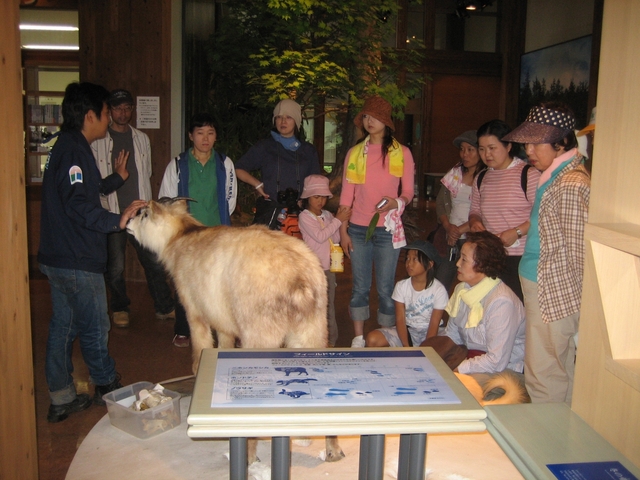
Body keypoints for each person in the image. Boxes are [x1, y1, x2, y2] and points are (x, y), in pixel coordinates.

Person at [38, 82, 147, 422]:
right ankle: (106, 385)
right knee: (97, 327)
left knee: (63, 327)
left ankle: (61, 397)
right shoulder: (73, 151)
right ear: (90, 116)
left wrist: (117, 178)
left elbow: (90, 189)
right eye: (104, 112)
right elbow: (77, 204)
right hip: (76, 258)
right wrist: (119, 220)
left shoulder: (71, 147)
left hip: (59, 256)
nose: (107, 117)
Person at [503, 102, 590, 403]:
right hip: (542, 283)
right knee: (555, 366)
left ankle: (546, 442)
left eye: (536, 142)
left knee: (543, 372)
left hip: (553, 288)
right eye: (526, 142)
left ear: (562, 141)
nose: (528, 149)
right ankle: (563, 435)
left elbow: (580, 251)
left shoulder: (570, 183)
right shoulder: (556, 175)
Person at [92, 89, 174, 328]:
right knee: (115, 265)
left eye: (127, 108)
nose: (123, 112)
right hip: (112, 211)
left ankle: (164, 307)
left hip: (141, 213)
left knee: (153, 261)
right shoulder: (99, 141)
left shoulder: (141, 138)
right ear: (110, 111)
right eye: (117, 108)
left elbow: (146, 174)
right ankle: (119, 307)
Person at [339, 95, 415, 348]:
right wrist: (343, 231)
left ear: (387, 121)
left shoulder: (402, 153)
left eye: (376, 116)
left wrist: (397, 203)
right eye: (366, 116)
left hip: (388, 229)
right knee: (359, 286)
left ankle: (384, 334)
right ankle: (358, 336)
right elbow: (346, 197)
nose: (370, 121)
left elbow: (408, 192)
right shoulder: (355, 152)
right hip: (358, 228)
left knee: (385, 287)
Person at [159, 112, 237, 347]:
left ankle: (220, 329)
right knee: (186, 282)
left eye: (210, 133)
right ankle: (184, 328)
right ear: (191, 136)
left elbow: (230, 198)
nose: (205, 138)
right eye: (200, 133)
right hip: (188, 235)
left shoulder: (224, 163)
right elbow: (166, 197)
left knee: (218, 282)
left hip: (216, 233)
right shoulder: (178, 165)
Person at [468, 120, 541, 302]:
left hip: (520, 257)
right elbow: (474, 210)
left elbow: (542, 215)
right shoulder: (482, 177)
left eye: (492, 148)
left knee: (519, 309)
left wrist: (516, 232)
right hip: (490, 257)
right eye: (482, 149)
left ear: (508, 146)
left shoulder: (529, 175)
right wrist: (475, 222)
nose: (487, 154)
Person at [439, 231, 525, 377]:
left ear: (482, 264)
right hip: (470, 360)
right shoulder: (462, 290)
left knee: (455, 387)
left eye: (464, 259)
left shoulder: (501, 302)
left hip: (503, 371)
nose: (458, 263)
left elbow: (497, 362)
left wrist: (458, 369)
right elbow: (453, 336)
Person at [235, 98, 322, 225]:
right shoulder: (265, 147)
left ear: (297, 121)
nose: (283, 121)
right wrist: (257, 184)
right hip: (270, 211)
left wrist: (306, 201)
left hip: (300, 213)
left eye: (288, 117)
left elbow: (316, 183)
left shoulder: (308, 150)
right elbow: (238, 168)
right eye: (279, 117)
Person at [298, 174, 351, 347]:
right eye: (316, 197)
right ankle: (311, 340)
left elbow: (334, 236)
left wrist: (342, 224)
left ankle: (330, 342)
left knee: (329, 307)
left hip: (328, 268)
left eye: (323, 197)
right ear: (307, 197)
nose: (320, 201)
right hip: (313, 269)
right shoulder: (305, 217)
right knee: (313, 307)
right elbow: (320, 236)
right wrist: (338, 221)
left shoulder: (328, 215)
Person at [365, 240, 448, 348]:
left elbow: (434, 322)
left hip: (432, 332)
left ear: (430, 264)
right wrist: (406, 346)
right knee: (372, 339)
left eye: (415, 259)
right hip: (408, 330)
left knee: (452, 343)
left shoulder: (439, 290)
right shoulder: (401, 286)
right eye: (408, 258)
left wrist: (427, 348)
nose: (409, 263)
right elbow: (400, 319)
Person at [434, 129, 486, 291]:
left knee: (472, 283)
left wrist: (459, 230)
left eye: (470, 150)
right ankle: (436, 315)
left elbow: (485, 211)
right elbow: (441, 202)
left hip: (473, 237)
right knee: (441, 282)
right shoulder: (455, 174)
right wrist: (449, 227)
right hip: (451, 237)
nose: (465, 154)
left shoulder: (487, 177)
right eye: (462, 149)